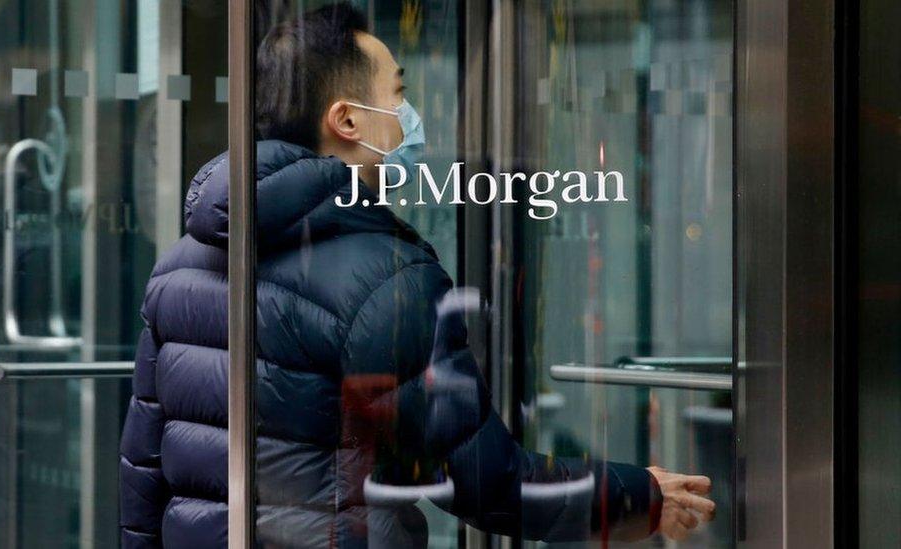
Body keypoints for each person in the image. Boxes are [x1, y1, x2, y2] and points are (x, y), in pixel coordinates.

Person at [118, 3, 715, 547]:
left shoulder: (177, 267)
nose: (410, 119)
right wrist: (642, 495)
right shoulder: (387, 279)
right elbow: (486, 480)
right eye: (398, 94)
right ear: (347, 119)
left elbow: (144, 478)